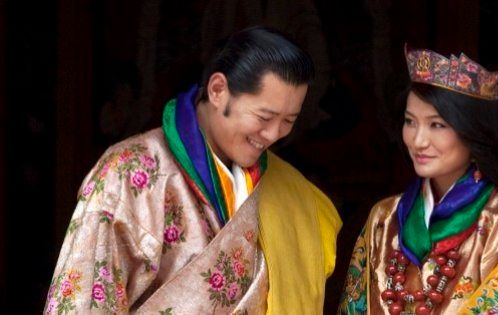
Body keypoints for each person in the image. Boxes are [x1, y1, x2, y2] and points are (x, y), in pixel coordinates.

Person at [44, 26, 342, 314]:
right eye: (264, 116)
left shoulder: (293, 192)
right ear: (217, 90)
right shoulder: (129, 171)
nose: (274, 134)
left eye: (288, 121)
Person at [338, 46, 498, 314]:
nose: (418, 140)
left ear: (473, 133)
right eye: (410, 121)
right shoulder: (383, 217)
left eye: (436, 125)